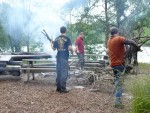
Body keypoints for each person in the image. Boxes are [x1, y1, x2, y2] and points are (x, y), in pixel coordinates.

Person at [107, 27, 139, 108]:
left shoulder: (109, 40)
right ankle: (117, 102)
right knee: (119, 84)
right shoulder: (118, 38)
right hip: (119, 65)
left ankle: (118, 98)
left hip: (113, 64)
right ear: (117, 33)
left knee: (118, 82)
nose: (119, 34)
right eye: (118, 33)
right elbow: (130, 42)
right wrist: (137, 46)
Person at [51, 26, 73, 93]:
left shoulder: (56, 38)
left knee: (59, 72)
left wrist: (51, 44)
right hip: (64, 57)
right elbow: (69, 48)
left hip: (58, 57)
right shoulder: (67, 38)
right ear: (65, 31)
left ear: (60, 31)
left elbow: (54, 49)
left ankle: (58, 88)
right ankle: (63, 88)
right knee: (64, 72)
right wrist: (72, 51)